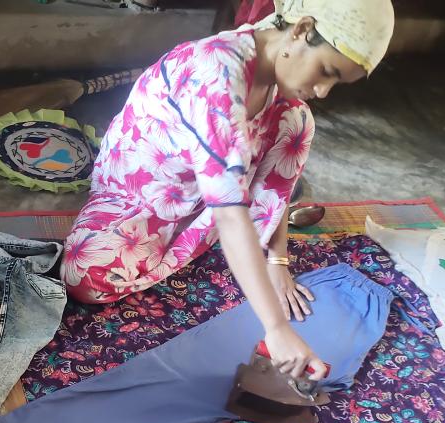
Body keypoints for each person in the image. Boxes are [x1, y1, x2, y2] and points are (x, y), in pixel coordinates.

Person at [60, 0, 394, 380]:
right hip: (139, 197)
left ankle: (226, 240)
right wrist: (277, 330)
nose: (323, 89)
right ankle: (213, 241)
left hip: (207, 202)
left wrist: (277, 262)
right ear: (301, 30)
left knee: (298, 121)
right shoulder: (215, 74)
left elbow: (276, 188)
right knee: (84, 276)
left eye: (336, 82)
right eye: (326, 72)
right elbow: (232, 217)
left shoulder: (282, 97)